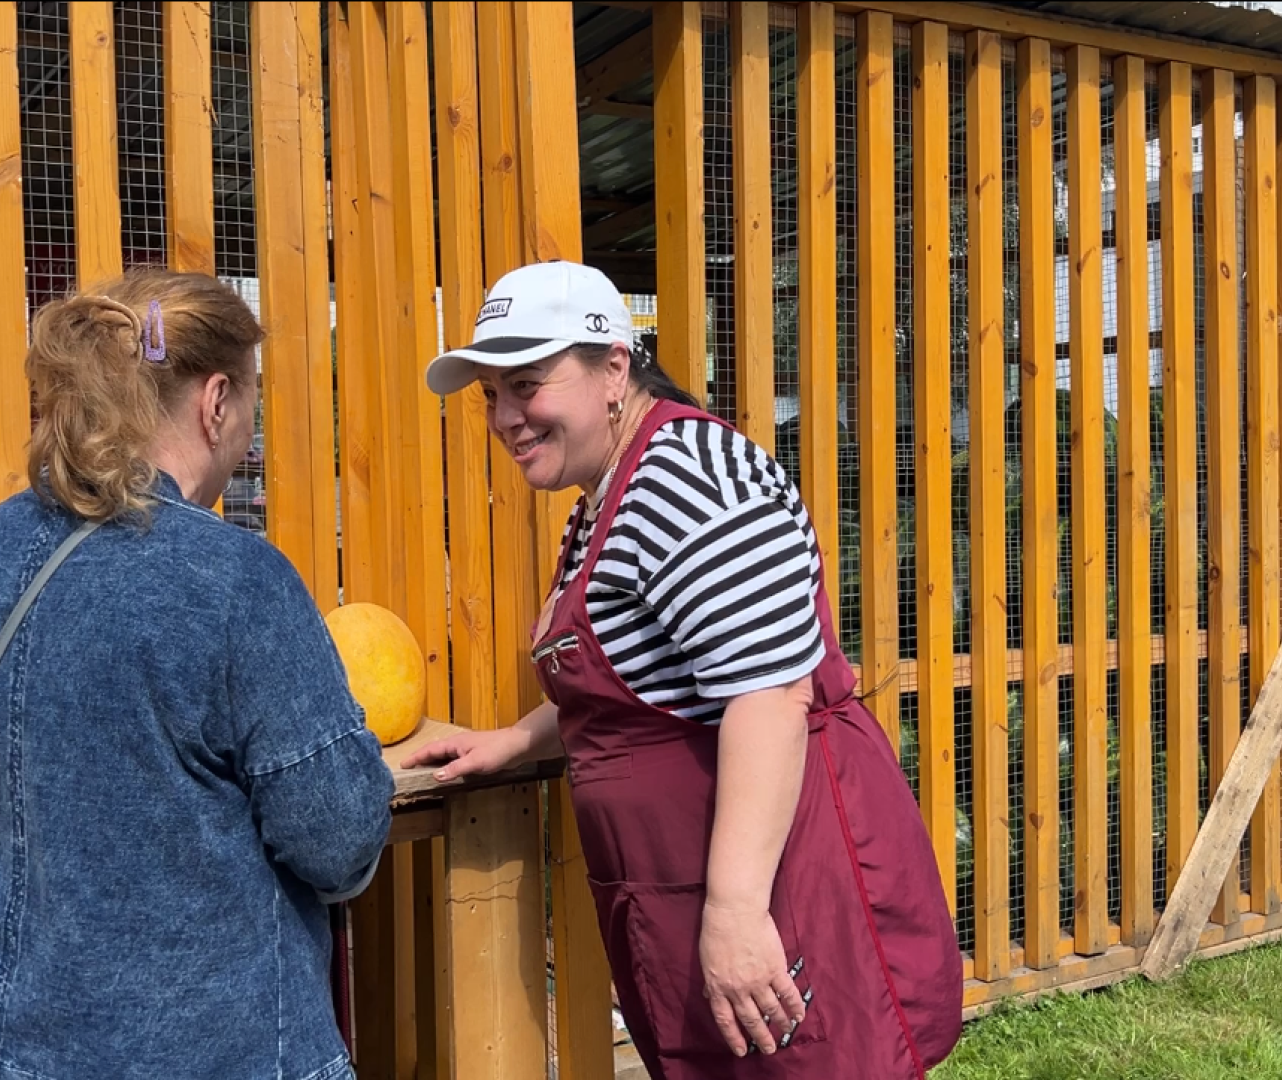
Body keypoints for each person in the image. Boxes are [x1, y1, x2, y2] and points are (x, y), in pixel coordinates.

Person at [405, 261, 964, 1079]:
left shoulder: (685, 478)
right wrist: (516, 742)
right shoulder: (607, 493)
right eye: (491, 393)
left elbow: (769, 694)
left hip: (778, 882)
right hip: (684, 885)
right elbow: (648, 682)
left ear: (613, 369)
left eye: (527, 384)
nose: (505, 416)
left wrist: (736, 912)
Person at [0, 267, 394, 1080]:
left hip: (5, 1054)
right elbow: (338, 839)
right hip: (218, 1050)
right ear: (215, 402)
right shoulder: (239, 580)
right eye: (250, 404)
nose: (248, 431)